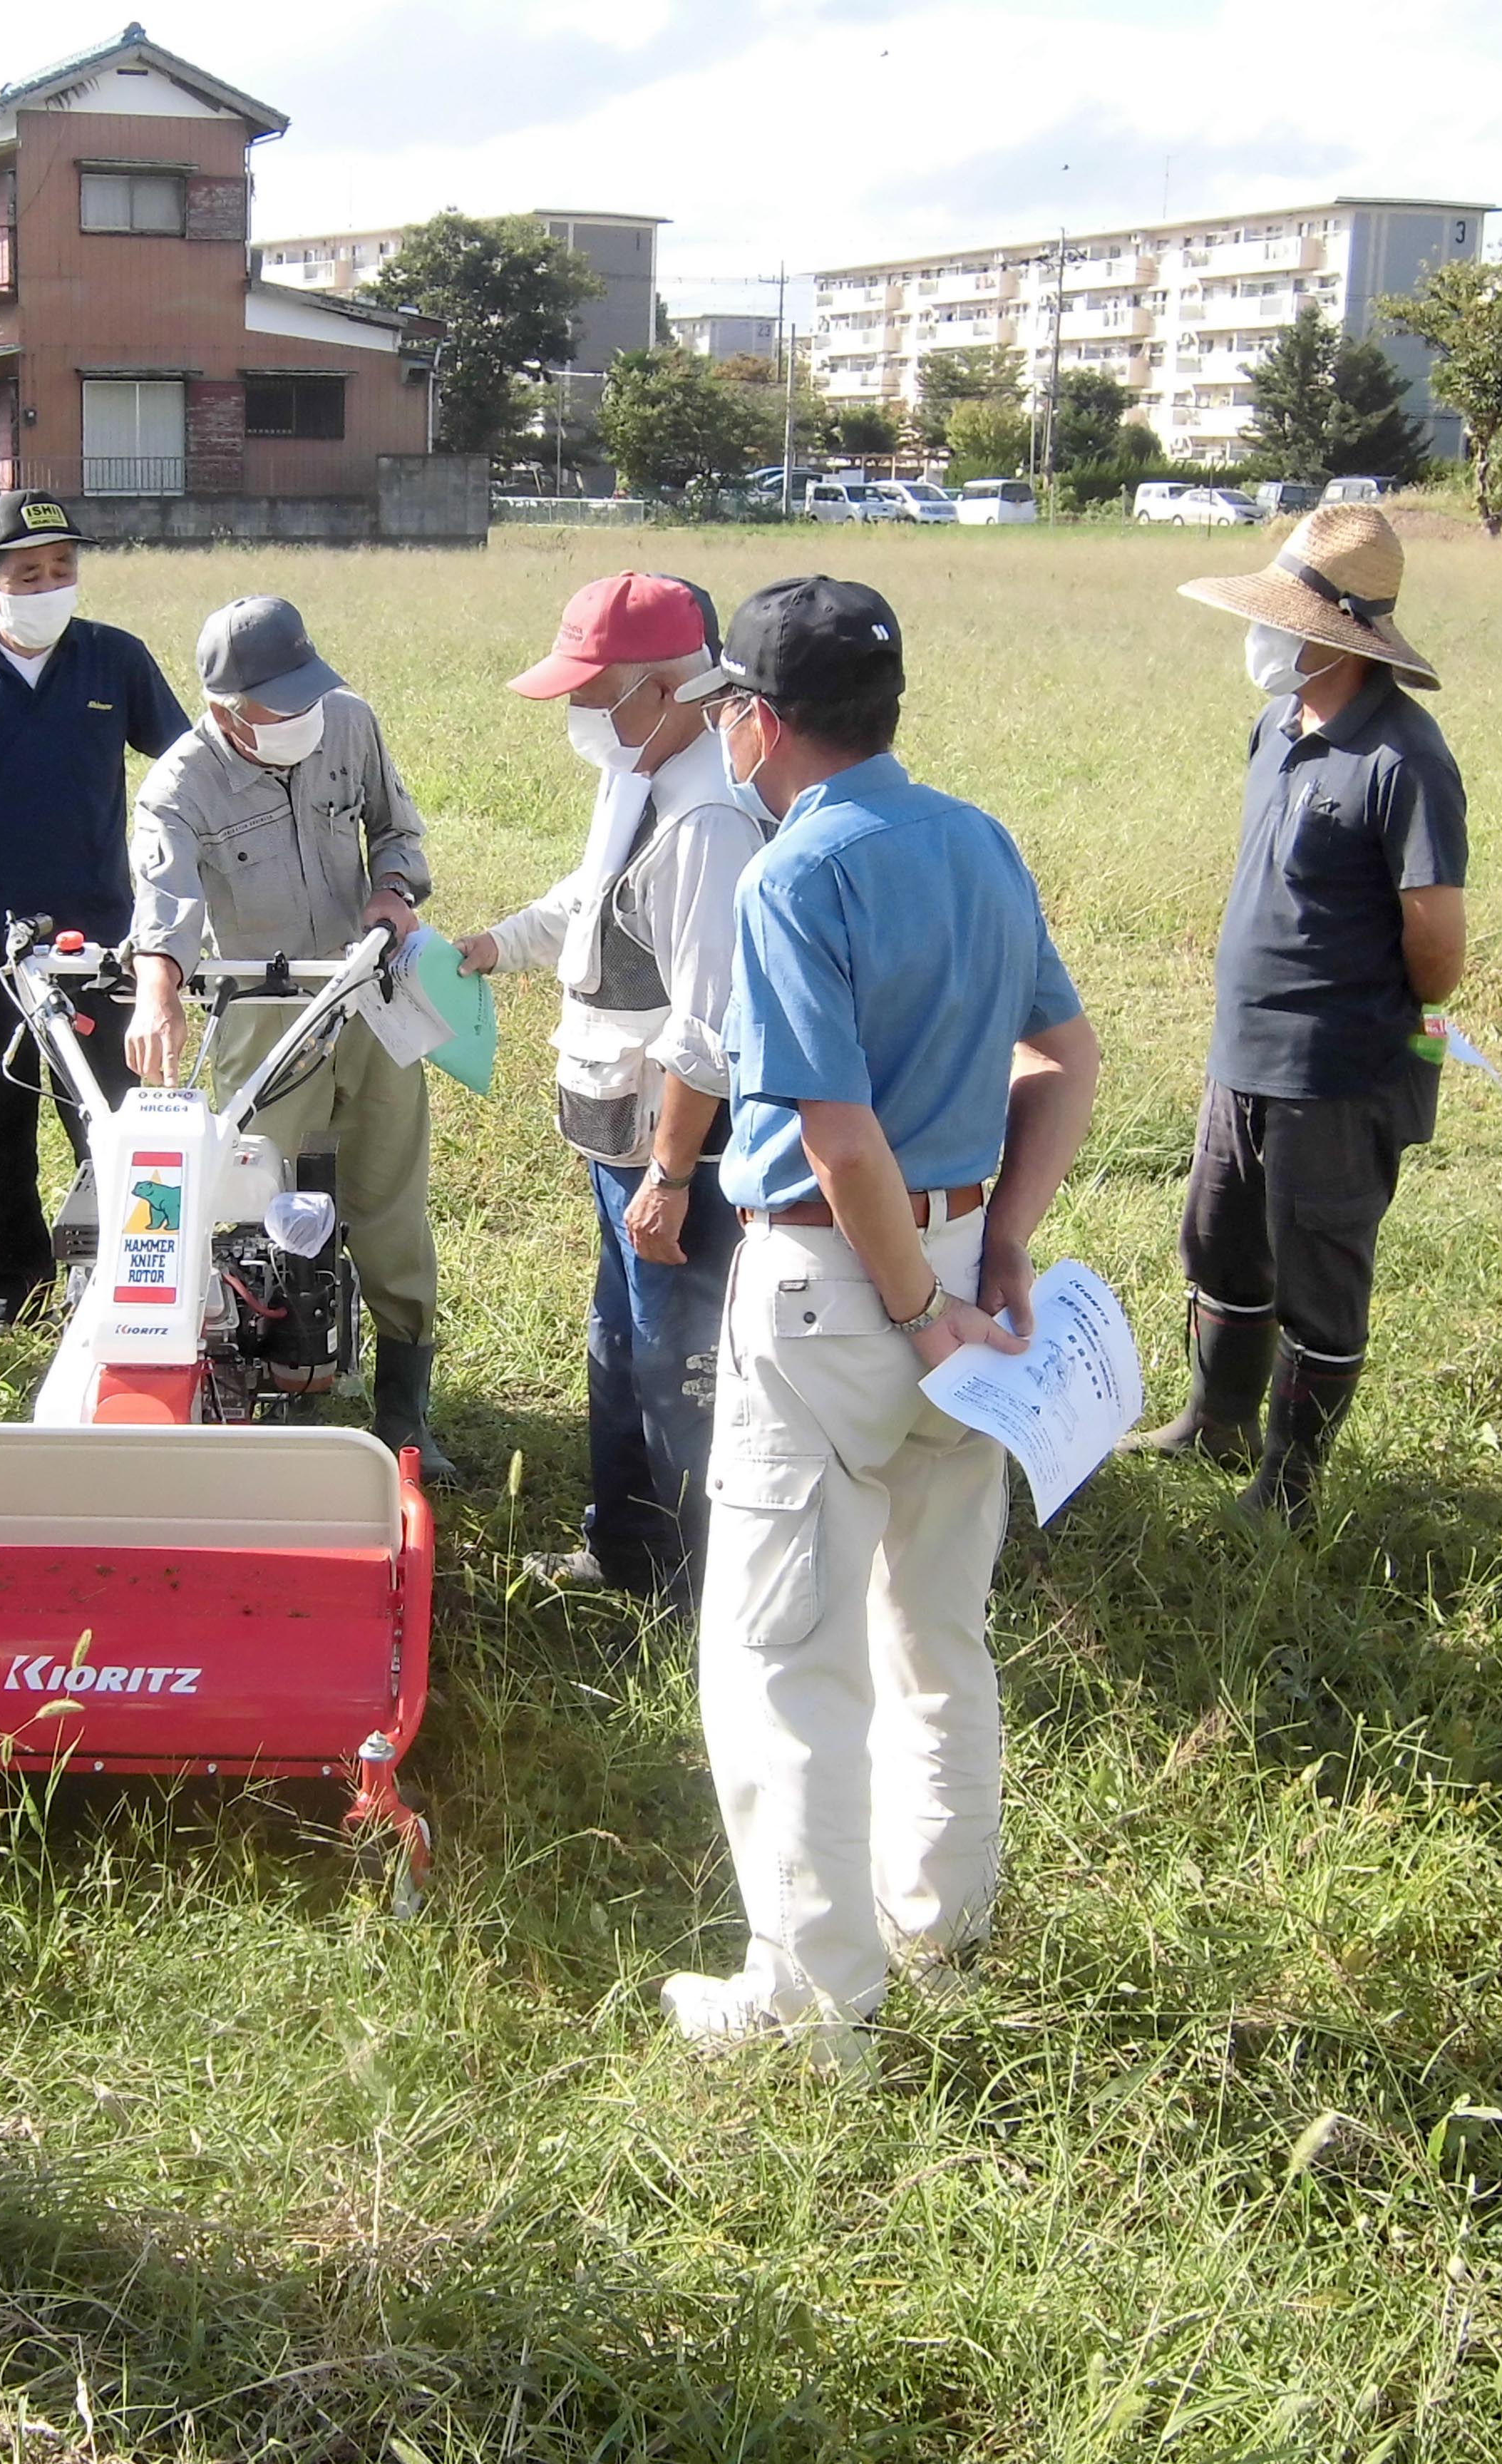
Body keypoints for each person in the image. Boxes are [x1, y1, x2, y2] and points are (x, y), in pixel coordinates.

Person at [658, 577, 1101, 2070]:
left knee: (784, 1652)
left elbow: (837, 1138)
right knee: (936, 1627)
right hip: (969, 1259)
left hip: (848, 1285)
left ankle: (812, 1998)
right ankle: (942, 1923)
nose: (723, 728)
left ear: (762, 725)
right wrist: (1000, 1252)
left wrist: (915, 1311)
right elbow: (1068, 1059)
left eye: (728, 707)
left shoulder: (793, 874)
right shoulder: (973, 838)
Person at [1127, 504, 1468, 1529]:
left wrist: (1347, 1007)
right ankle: (1216, 1419)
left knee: (1318, 1275)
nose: (1261, 637)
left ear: (1338, 638)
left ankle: (1288, 1485)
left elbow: (1438, 952)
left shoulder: (1404, 759)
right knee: (1222, 1244)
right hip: (1243, 1056)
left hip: (1338, 1071)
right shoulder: (1277, 726)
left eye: (1283, 621)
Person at [461, 573, 764, 1606]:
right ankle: (626, 1551)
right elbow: (588, 901)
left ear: (673, 686)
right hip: (618, 1138)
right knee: (620, 1348)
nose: (581, 718)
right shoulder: (639, 772)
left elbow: (707, 1030)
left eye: (596, 695)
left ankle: (704, 1597)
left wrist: (674, 1177)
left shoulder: (710, 822)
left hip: (677, 1159)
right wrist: (493, 946)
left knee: (684, 1376)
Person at [127, 595, 455, 1480]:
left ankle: (405, 1413)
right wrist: (156, 992)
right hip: (267, 1015)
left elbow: (395, 825)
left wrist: (394, 889)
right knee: (251, 1214)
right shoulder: (179, 787)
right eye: (281, 704)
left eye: (309, 692)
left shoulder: (347, 724)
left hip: (369, 996)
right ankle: (257, 1392)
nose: (303, 717)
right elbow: (162, 912)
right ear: (227, 710)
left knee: (390, 1203)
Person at [0, 489, 190, 1343]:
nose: (50, 584)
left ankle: (121, 1282)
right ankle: (9, 1288)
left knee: (109, 1115)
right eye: (29, 573)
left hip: (101, 938)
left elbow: (180, 774)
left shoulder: (114, 662)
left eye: (63, 568)